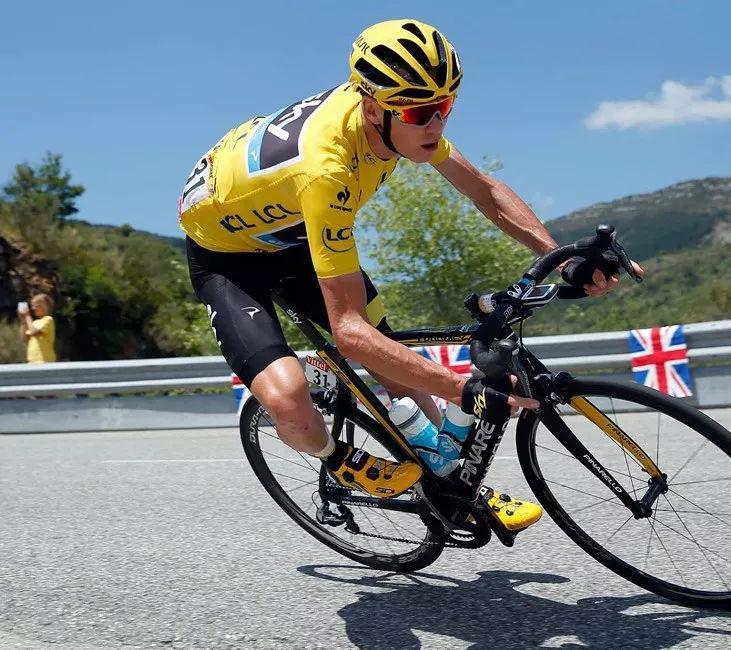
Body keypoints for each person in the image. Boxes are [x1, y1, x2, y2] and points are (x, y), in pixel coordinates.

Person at [177, 19, 641, 534]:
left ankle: (455, 479)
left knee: (395, 362)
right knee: (289, 401)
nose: (435, 126)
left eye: (446, 107)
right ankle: (337, 459)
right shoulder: (328, 170)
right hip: (227, 257)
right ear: (373, 109)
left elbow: (484, 190)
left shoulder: (397, 118)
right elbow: (350, 333)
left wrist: (563, 258)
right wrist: (462, 390)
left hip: (292, 234)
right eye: (421, 114)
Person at [18, 293, 57, 363]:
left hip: (44, 360)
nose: (33, 308)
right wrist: (23, 321)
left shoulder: (48, 319)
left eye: (35, 305)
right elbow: (24, 338)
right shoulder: (34, 323)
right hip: (33, 361)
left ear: (44, 305)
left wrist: (27, 316)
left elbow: (33, 332)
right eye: (32, 306)